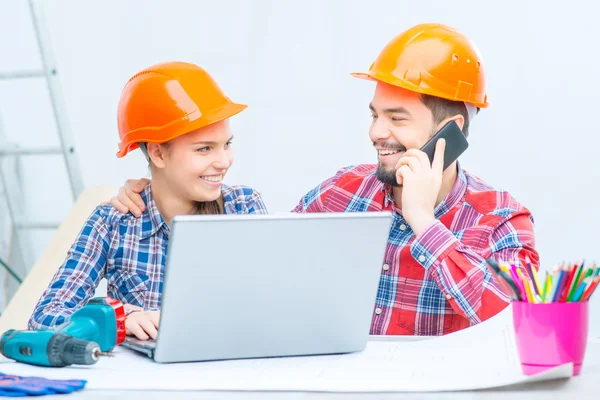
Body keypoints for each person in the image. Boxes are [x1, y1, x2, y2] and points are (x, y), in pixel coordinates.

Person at [108, 23, 539, 336]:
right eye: (374, 115)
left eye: (397, 118)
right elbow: (256, 273)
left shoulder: (502, 218)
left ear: (454, 132)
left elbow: (517, 326)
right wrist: (164, 191)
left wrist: (425, 221)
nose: (376, 133)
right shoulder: (343, 193)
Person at [29, 61, 268, 340]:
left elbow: (275, 305)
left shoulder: (244, 208)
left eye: (227, 144)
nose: (223, 161)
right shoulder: (113, 223)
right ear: (158, 154)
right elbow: (45, 315)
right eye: (204, 149)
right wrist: (121, 319)